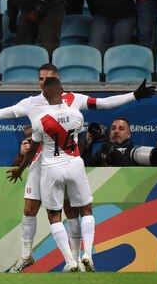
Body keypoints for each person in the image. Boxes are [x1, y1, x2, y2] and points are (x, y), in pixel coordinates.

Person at [0, 63, 156, 272]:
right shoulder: (31, 102)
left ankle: (74, 260)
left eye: (47, 78)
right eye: (40, 78)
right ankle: (26, 256)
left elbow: (103, 103)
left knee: (70, 211)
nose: (42, 82)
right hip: (40, 163)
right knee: (29, 209)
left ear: (57, 80)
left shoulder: (74, 99)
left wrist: (134, 95)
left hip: (60, 163)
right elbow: (2, 114)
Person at [8, 76, 96, 272]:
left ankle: (70, 261)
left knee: (54, 215)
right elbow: (78, 140)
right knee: (86, 210)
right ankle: (87, 255)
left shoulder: (40, 120)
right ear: (62, 90)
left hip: (52, 167)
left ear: (45, 94)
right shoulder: (76, 115)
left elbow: (33, 149)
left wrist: (21, 168)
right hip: (74, 163)